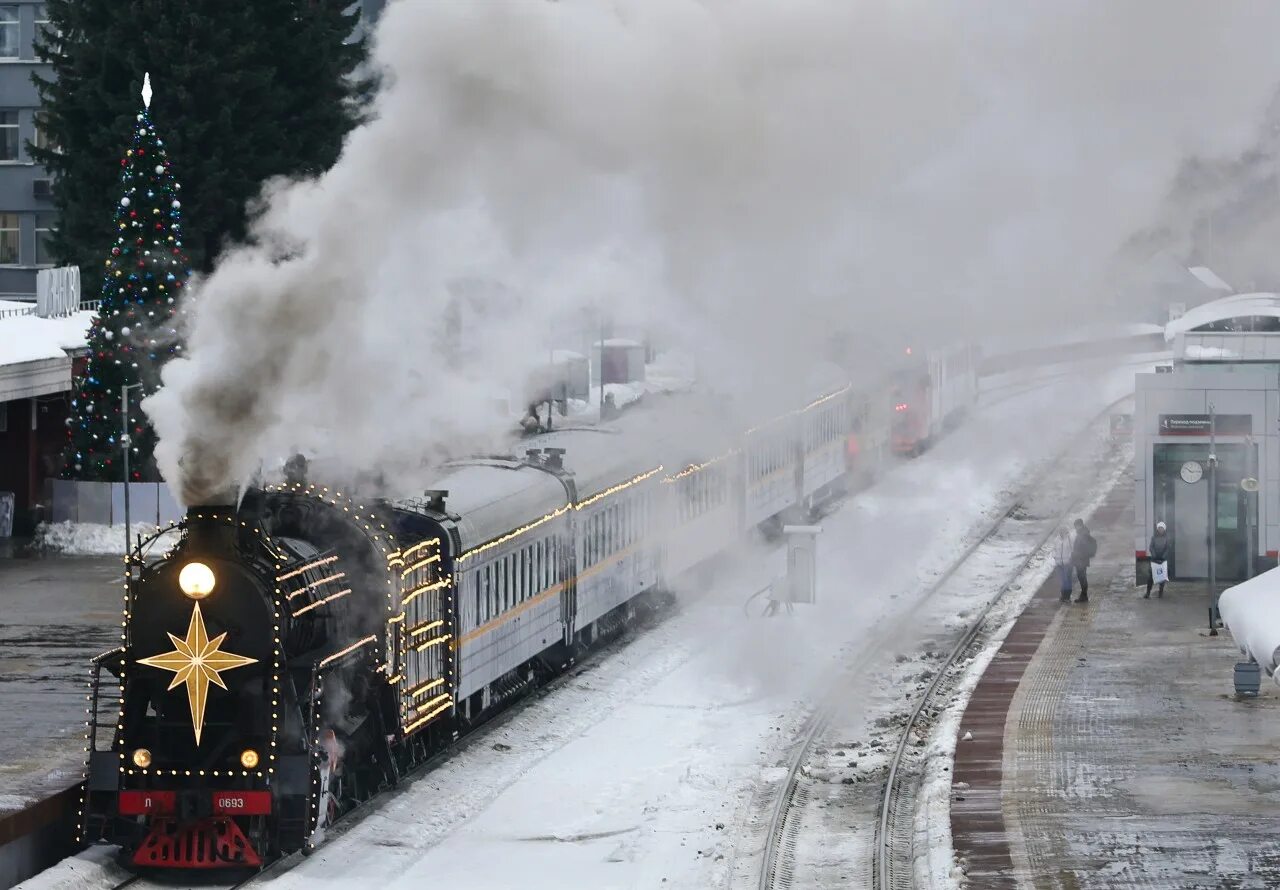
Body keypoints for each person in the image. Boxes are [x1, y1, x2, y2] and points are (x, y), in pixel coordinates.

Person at [1071, 518, 1096, 603]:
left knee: (1082, 577)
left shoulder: (1083, 534)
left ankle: (1084, 596)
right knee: (1081, 577)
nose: (1075, 528)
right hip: (1081, 560)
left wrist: (1077, 554)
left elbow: (1083, 548)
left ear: (1079, 525)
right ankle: (1083, 595)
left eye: (1076, 526)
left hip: (1082, 560)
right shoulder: (1083, 532)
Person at [1146, 520, 1170, 599]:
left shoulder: (1166, 538)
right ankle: (1148, 593)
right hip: (1154, 560)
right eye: (1159, 528)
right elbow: (1151, 547)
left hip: (1162, 560)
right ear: (1157, 529)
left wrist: (1164, 556)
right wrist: (1154, 554)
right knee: (1151, 577)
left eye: (1162, 528)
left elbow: (1167, 548)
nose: (1160, 530)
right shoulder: (1153, 537)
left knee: (1162, 577)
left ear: (1164, 529)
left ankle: (1160, 593)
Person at [1054, 527, 1074, 602]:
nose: (1061, 533)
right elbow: (1054, 549)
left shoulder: (1070, 539)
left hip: (1067, 563)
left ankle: (1067, 596)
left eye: (1063, 531)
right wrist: (1055, 557)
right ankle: (1063, 595)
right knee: (1062, 580)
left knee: (1067, 579)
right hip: (1059, 563)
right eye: (1060, 531)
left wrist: (1070, 559)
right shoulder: (1056, 540)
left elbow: (1073, 550)